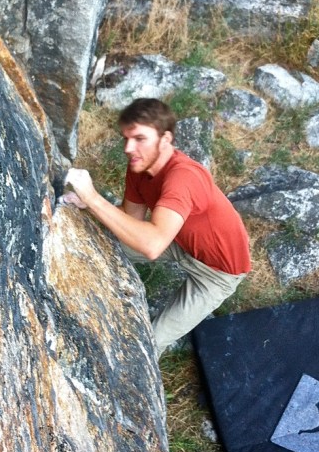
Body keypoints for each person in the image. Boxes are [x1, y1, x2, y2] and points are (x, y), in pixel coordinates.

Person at [64, 98, 251, 357]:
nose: (129, 148)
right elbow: (131, 220)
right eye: (126, 138)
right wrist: (88, 205)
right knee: (105, 243)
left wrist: (95, 199)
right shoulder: (139, 169)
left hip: (218, 272)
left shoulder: (183, 178)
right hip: (176, 240)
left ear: (165, 140)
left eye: (140, 139)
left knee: (152, 340)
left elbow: (152, 246)